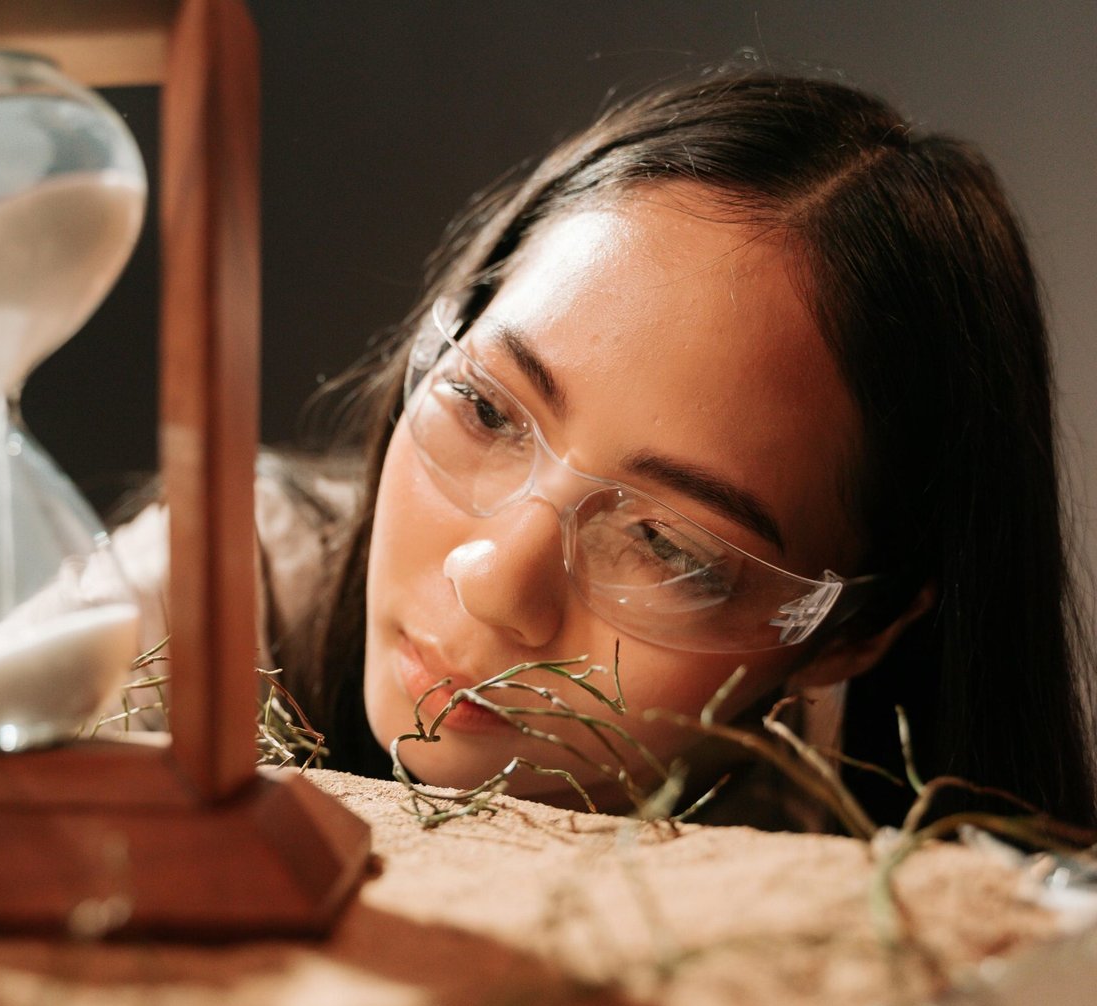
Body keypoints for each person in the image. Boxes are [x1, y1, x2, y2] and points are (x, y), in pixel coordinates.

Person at [119, 70, 1096, 832]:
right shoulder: (189, 617)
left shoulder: (853, 864)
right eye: (486, 411)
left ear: (852, 633)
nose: (497, 581)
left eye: (667, 543)